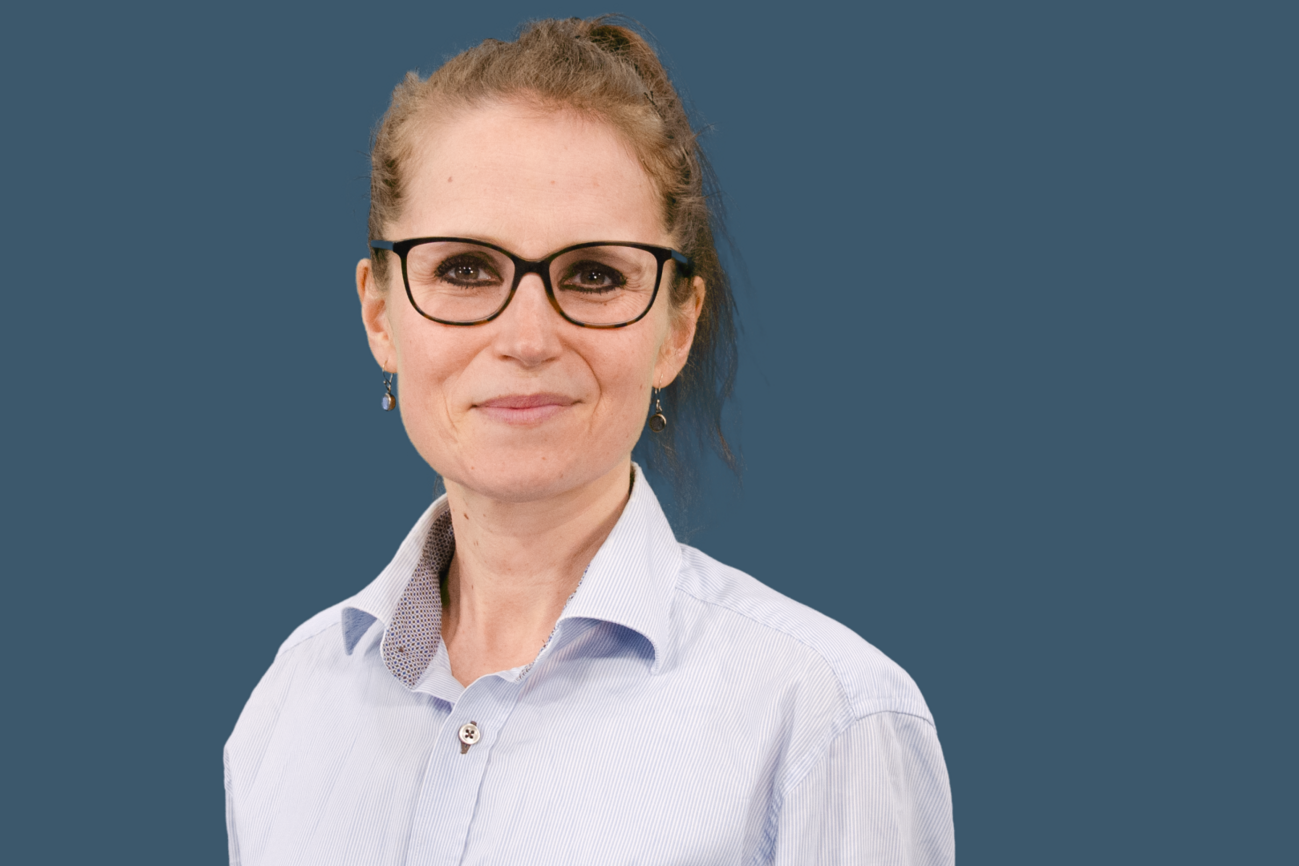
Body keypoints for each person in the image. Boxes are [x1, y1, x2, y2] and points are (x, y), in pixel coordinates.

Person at [225, 17, 952, 865]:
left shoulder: (825, 718)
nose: (528, 338)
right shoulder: (291, 705)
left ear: (677, 328)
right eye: (465, 270)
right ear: (381, 315)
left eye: (595, 275)